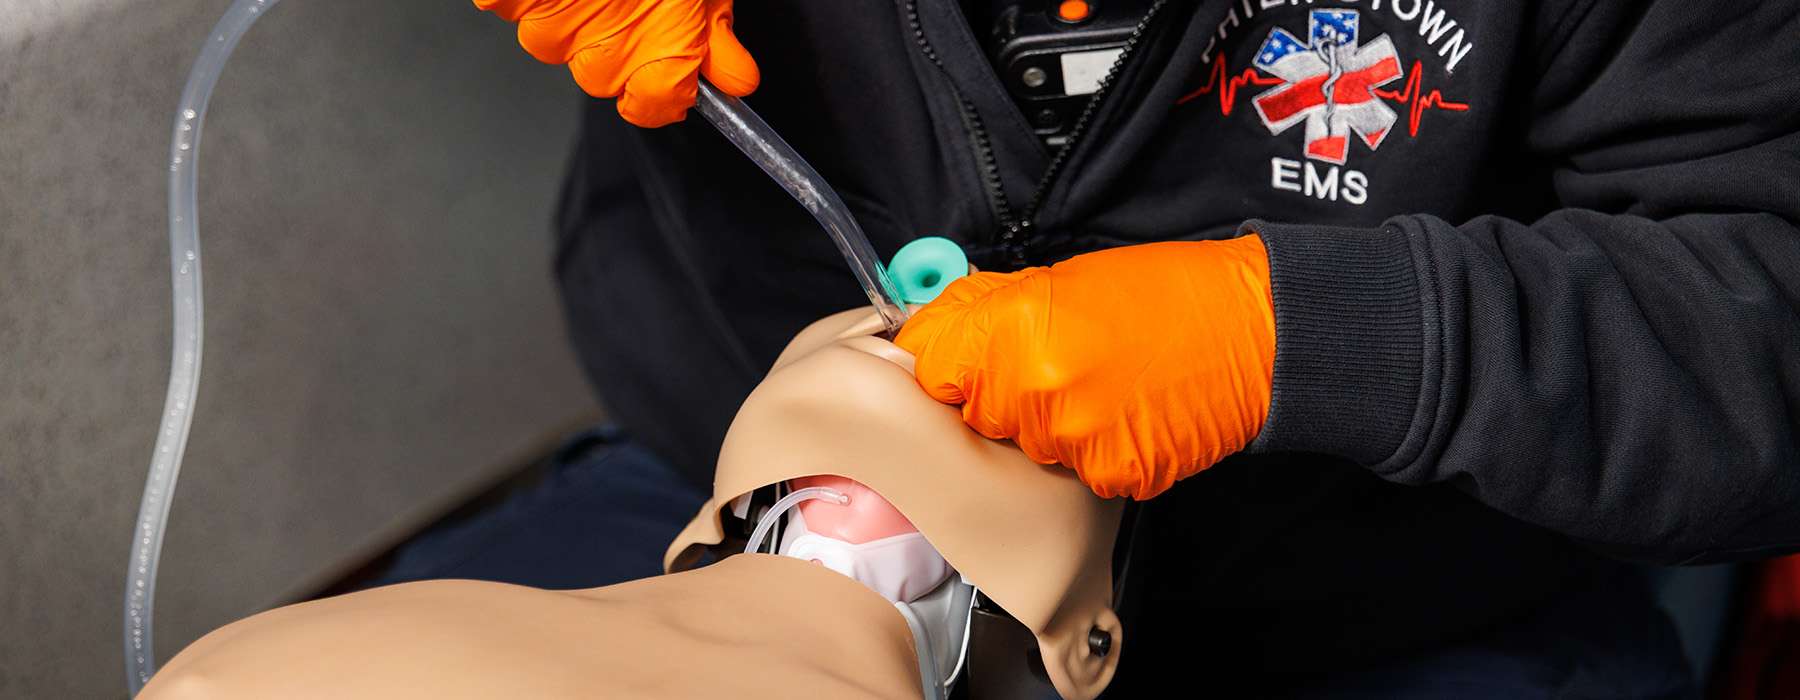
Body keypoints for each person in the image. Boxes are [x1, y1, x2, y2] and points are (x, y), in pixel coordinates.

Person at [459, 0, 1800, 695]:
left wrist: (1325, 342)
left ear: (1081, 645)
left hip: (1387, 600)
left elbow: (1768, 314)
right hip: (686, 432)